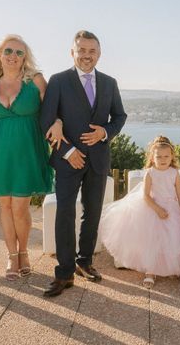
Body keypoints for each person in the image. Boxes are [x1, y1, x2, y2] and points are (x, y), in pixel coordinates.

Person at [40, 30, 127, 297]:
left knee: (92, 214)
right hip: (68, 161)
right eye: (82, 50)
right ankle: (64, 272)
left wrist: (105, 132)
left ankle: (84, 262)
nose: (87, 56)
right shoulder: (58, 81)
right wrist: (67, 152)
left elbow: (119, 116)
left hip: (99, 159)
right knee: (65, 213)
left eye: (92, 51)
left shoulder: (110, 83)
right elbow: (46, 120)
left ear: (98, 54)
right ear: (72, 52)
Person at [0, 35, 60, 280]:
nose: (13, 56)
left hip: (27, 149)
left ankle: (24, 252)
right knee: (4, 205)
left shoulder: (35, 80)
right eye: (8, 51)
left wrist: (58, 122)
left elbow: (52, 109)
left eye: (18, 52)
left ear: (25, 57)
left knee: (19, 206)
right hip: (0, 151)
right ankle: (11, 256)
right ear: (0, 55)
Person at [99, 136, 180, 289]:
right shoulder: (150, 173)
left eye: (166, 156)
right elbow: (145, 195)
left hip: (172, 209)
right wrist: (157, 209)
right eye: (159, 156)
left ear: (172, 156)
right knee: (153, 240)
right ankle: (150, 271)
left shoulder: (174, 173)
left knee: (174, 237)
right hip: (154, 208)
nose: (163, 159)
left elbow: (179, 193)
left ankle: (173, 267)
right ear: (152, 157)